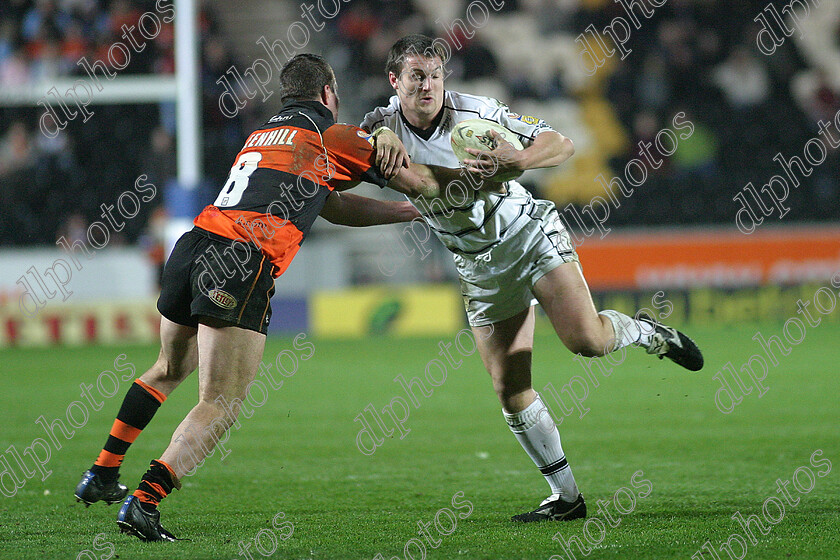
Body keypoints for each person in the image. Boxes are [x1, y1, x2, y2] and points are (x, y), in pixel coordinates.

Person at [74, 53, 501, 542]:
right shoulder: (330, 136)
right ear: (329, 93)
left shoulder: (263, 135)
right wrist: (481, 178)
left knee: (169, 368)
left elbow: (332, 205)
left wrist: (406, 214)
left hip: (192, 248)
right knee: (221, 402)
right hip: (242, 259)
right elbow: (417, 177)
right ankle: (144, 502)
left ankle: (103, 473)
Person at [361, 35, 704, 522]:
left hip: (528, 232)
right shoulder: (378, 127)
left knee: (587, 342)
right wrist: (378, 138)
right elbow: (418, 182)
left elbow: (558, 142)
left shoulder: (477, 111)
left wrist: (518, 161)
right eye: (417, 76)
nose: (428, 85)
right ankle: (566, 498)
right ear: (394, 81)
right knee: (510, 387)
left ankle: (649, 332)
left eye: (435, 75)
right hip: (477, 264)